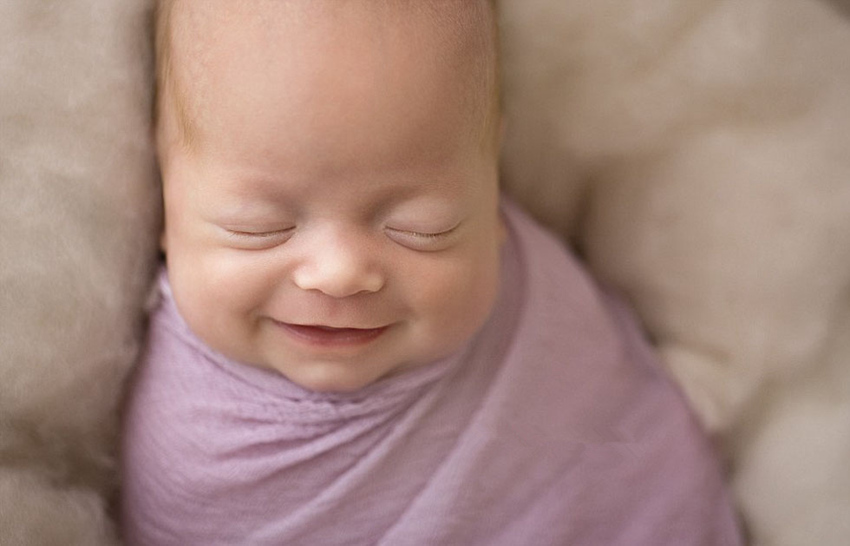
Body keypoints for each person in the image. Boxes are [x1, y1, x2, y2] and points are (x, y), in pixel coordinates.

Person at [120, 1, 743, 544]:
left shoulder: (535, 299)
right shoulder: (181, 442)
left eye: (422, 228)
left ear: (491, 187)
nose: (339, 274)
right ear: (161, 204)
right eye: (259, 226)